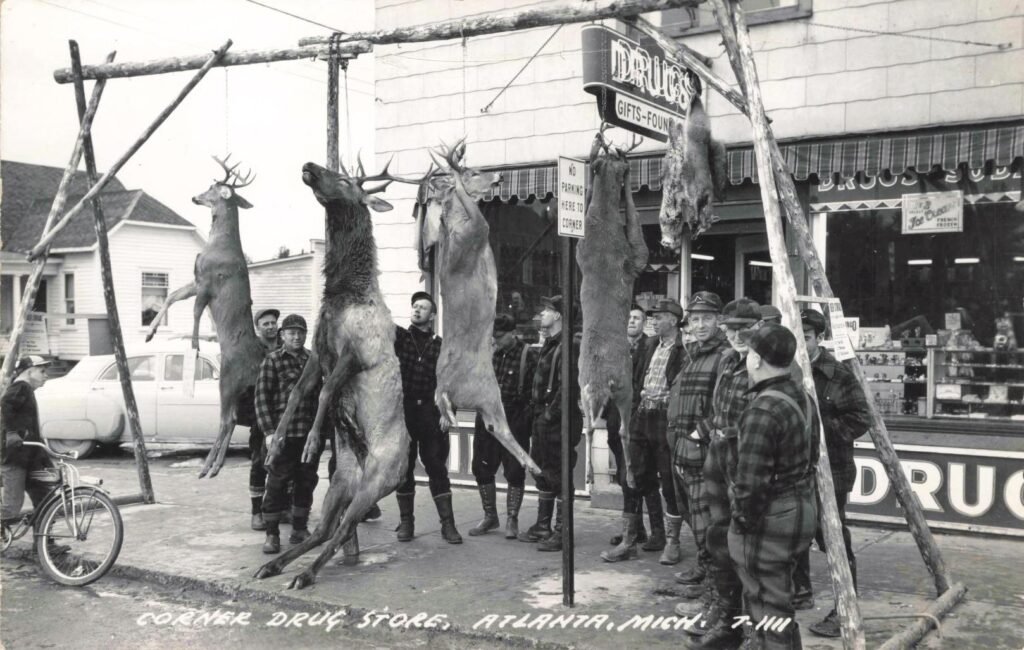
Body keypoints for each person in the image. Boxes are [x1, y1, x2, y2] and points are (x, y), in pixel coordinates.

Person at [729, 324, 819, 650]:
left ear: (757, 360)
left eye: (750, 352)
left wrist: (740, 523)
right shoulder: (804, 398)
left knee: (766, 605)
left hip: (772, 514)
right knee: (778, 598)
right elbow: (813, 456)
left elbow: (751, 483)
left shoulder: (762, 409)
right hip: (802, 506)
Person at [678, 298, 760, 644]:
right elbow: (717, 408)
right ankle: (724, 615)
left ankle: (750, 627)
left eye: (745, 329)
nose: (738, 335)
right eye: (732, 329)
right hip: (719, 456)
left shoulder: (764, 365)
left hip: (749, 461)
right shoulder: (729, 361)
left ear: (758, 329)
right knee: (718, 537)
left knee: (749, 547)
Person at [795, 309, 872, 638]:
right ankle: (799, 592)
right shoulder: (789, 370)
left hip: (832, 470)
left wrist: (821, 432)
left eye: (807, 337)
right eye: (798, 336)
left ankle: (845, 607)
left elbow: (860, 417)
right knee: (795, 530)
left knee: (833, 538)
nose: (802, 342)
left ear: (819, 338)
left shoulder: (837, 374)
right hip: (794, 468)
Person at [620, 298, 688, 564]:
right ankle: (632, 539)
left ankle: (672, 542)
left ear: (673, 320)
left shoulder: (685, 350)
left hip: (665, 419)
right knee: (634, 477)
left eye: (659, 317)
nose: (654, 321)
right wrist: (634, 412)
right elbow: (637, 380)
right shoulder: (649, 345)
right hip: (643, 415)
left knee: (669, 483)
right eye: (653, 317)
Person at [666, 291, 730, 572]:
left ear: (719, 321)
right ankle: (706, 570)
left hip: (707, 453)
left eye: (707, 318)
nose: (701, 325)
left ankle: (711, 578)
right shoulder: (691, 354)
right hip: (683, 452)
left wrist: (697, 435)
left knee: (709, 519)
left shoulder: (725, 356)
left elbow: (727, 408)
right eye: (695, 319)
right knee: (695, 514)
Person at [393, 291, 462, 544]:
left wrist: (447, 410)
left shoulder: (441, 345)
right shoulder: (400, 337)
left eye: (423, 307)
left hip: (431, 413)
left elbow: (450, 380)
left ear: (432, 315)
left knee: (436, 467)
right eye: (414, 306)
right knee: (404, 469)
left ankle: (448, 525)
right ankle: (407, 523)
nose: (417, 310)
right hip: (404, 412)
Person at [517, 295, 581, 552]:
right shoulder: (551, 343)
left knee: (560, 475)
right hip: (542, 419)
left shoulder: (570, 345)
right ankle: (543, 526)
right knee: (543, 473)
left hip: (559, 422)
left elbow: (568, 388)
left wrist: (549, 416)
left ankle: (563, 533)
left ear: (558, 315)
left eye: (547, 310)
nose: (541, 313)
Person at [256, 314, 322, 554]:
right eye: (291, 332)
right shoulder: (272, 361)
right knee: (276, 483)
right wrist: (269, 433)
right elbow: (262, 399)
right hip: (282, 437)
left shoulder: (313, 361)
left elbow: (319, 397)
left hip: (307, 436)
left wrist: (318, 432)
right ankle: (272, 534)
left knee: (306, 481)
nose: (296, 336)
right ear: (282, 335)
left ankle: (299, 528)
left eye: (300, 332)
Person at [468, 313, 535, 539]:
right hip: (487, 416)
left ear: (513, 333)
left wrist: (525, 419)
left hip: (514, 417)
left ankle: (512, 519)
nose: (495, 340)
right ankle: (490, 516)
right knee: (481, 466)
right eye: (493, 336)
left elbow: (532, 393)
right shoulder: (488, 353)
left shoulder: (528, 354)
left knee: (514, 470)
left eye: (499, 336)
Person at [601, 304, 657, 560]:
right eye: (628, 318)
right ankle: (638, 530)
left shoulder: (650, 348)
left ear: (644, 323)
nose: (631, 322)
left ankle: (631, 540)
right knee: (628, 477)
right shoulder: (618, 349)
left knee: (630, 477)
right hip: (616, 421)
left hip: (636, 421)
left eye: (636, 318)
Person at [1, 356, 65, 555]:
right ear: (29, 371)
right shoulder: (20, 387)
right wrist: (11, 433)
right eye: (42, 371)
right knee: (11, 508)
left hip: (32, 457)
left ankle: (44, 545)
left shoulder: (26, 390)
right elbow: (5, 405)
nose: (46, 376)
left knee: (45, 499)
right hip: (15, 458)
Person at [247, 307, 279, 531]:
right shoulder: (253, 350)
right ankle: (256, 511)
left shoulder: (285, 343)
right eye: (265, 324)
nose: (270, 327)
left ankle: (281, 507)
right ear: (258, 328)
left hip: (283, 411)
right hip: (259, 412)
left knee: (284, 462)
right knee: (259, 461)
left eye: (273, 323)